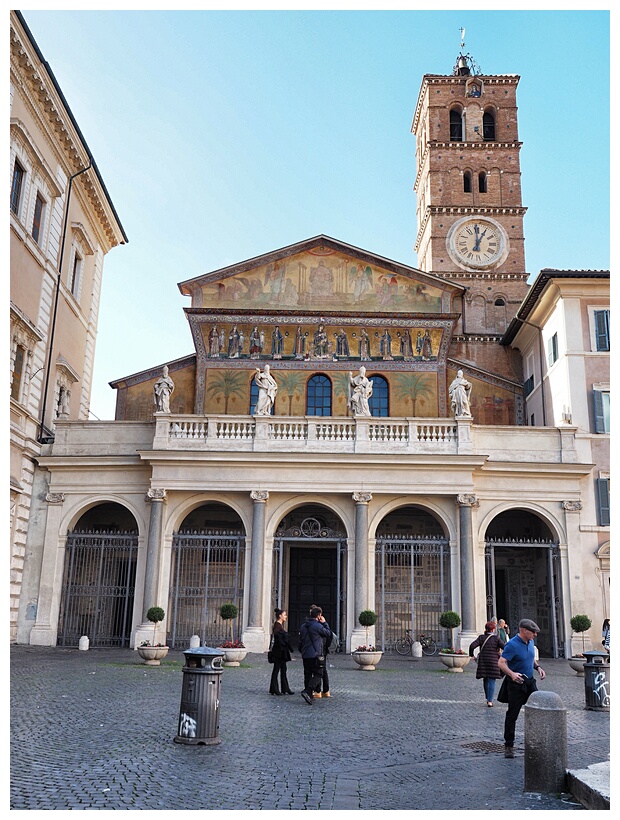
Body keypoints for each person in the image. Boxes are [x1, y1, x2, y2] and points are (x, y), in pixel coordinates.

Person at [498, 618, 546, 758]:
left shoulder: (530, 642)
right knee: (512, 715)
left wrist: (538, 667)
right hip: (516, 683)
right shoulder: (511, 645)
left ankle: (538, 742)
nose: (535, 635)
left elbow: (530, 658)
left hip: (530, 682)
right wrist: (512, 674)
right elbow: (501, 663)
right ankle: (509, 745)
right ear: (524, 630)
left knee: (539, 709)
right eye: (533, 632)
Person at [298, 605, 332, 705]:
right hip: (315, 655)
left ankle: (309, 696)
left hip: (305, 654)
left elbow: (300, 641)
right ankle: (307, 691)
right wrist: (325, 622)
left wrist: (302, 651)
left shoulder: (303, 626)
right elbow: (328, 633)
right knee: (318, 674)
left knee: (307, 674)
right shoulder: (318, 626)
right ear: (319, 615)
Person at [469, 621, 505, 707]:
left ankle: (487, 697)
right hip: (493, 661)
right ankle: (490, 700)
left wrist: (472, 655)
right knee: (492, 679)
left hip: (483, 661)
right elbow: (505, 647)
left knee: (485, 678)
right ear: (493, 629)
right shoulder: (496, 638)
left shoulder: (481, 637)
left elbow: (472, 645)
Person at [269, 609, 295, 696]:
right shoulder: (277, 625)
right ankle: (274, 689)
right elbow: (277, 637)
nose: (286, 616)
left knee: (283, 670)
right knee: (276, 670)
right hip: (279, 652)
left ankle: (285, 688)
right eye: (284, 615)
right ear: (280, 616)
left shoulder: (279, 625)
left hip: (281, 652)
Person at [309, 604, 332, 699]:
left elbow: (328, 634)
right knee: (323, 670)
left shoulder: (317, 626)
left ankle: (318, 690)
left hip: (318, 651)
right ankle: (326, 690)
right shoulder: (320, 625)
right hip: (322, 650)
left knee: (318, 671)